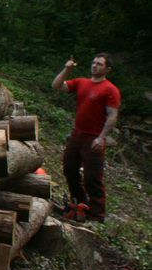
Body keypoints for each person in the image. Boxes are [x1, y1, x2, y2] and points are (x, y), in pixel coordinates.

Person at [52, 53, 121, 222]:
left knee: (92, 177)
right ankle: (80, 203)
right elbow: (56, 85)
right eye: (93, 62)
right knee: (69, 168)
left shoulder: (110, 89)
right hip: (77, 134)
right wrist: (67, 69)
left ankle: (97, 214)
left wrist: (101, 137)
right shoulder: (82, 82)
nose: (95, 66)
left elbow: (112, 116)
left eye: (99, 64)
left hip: (94, 138)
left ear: (107, 69)